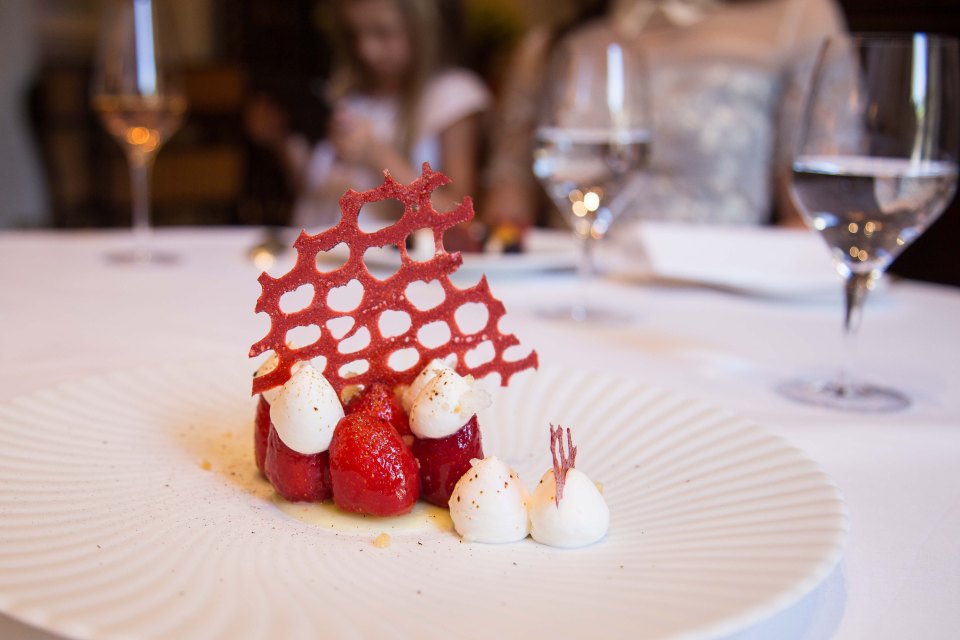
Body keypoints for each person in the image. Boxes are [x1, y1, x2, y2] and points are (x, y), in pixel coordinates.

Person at [480, 0, 847, 232]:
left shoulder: (797, 17)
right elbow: (507, 213)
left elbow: (815, 216)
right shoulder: (554, 44)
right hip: (573, 295)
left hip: (724, 300)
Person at [246, 0, 490, 230]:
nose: (366, 50)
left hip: (382, 255)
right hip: (314, 246)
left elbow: (458, 219)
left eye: (383, 33)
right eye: (354, 34)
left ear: (422, 29)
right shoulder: (346, 92)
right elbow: (316, 194)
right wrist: (281, 140)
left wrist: (379, 158)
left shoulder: (452, 94)